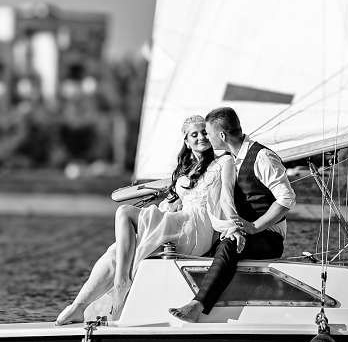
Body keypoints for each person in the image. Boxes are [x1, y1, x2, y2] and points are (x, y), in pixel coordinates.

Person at [55, 116, 226, 325]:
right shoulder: (187, 167)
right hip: (181, 222)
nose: (201, 137)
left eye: (204, 132)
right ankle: (79, 306)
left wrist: (230, 229)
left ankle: (122, 285)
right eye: (194, 134)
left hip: (197, 229)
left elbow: (224, 203)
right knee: (116, 252)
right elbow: (176, 200)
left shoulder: (221, 164)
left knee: (125, 212)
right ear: (186, 141)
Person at [169, 105, 294, 322]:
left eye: (207, 132)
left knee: (230, 244)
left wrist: (254, 227)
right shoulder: (230, 158)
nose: (205, 137)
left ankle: (198, 304)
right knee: (214, 240)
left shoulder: (262, 157)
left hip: (268, 237)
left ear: (221, 135)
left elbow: (286, 199)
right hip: (243, 231)